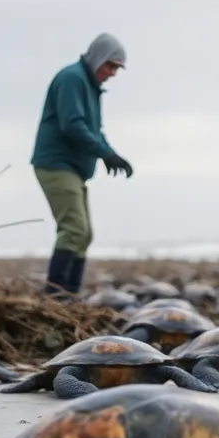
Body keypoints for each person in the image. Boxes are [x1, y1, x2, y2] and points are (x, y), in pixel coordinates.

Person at [30, 32, 135, 297]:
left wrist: (112, 154)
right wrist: (103, 153)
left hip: (74, 169)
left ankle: (71, 294)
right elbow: (73, 125)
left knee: (84, 233)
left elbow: (95, 130)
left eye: (117, 68)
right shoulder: (72, 78)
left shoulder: (90, 86)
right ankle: (55, 293)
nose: (112, 73)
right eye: (110, 65)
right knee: (74, 229)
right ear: (97, 58)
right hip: (56, 164)